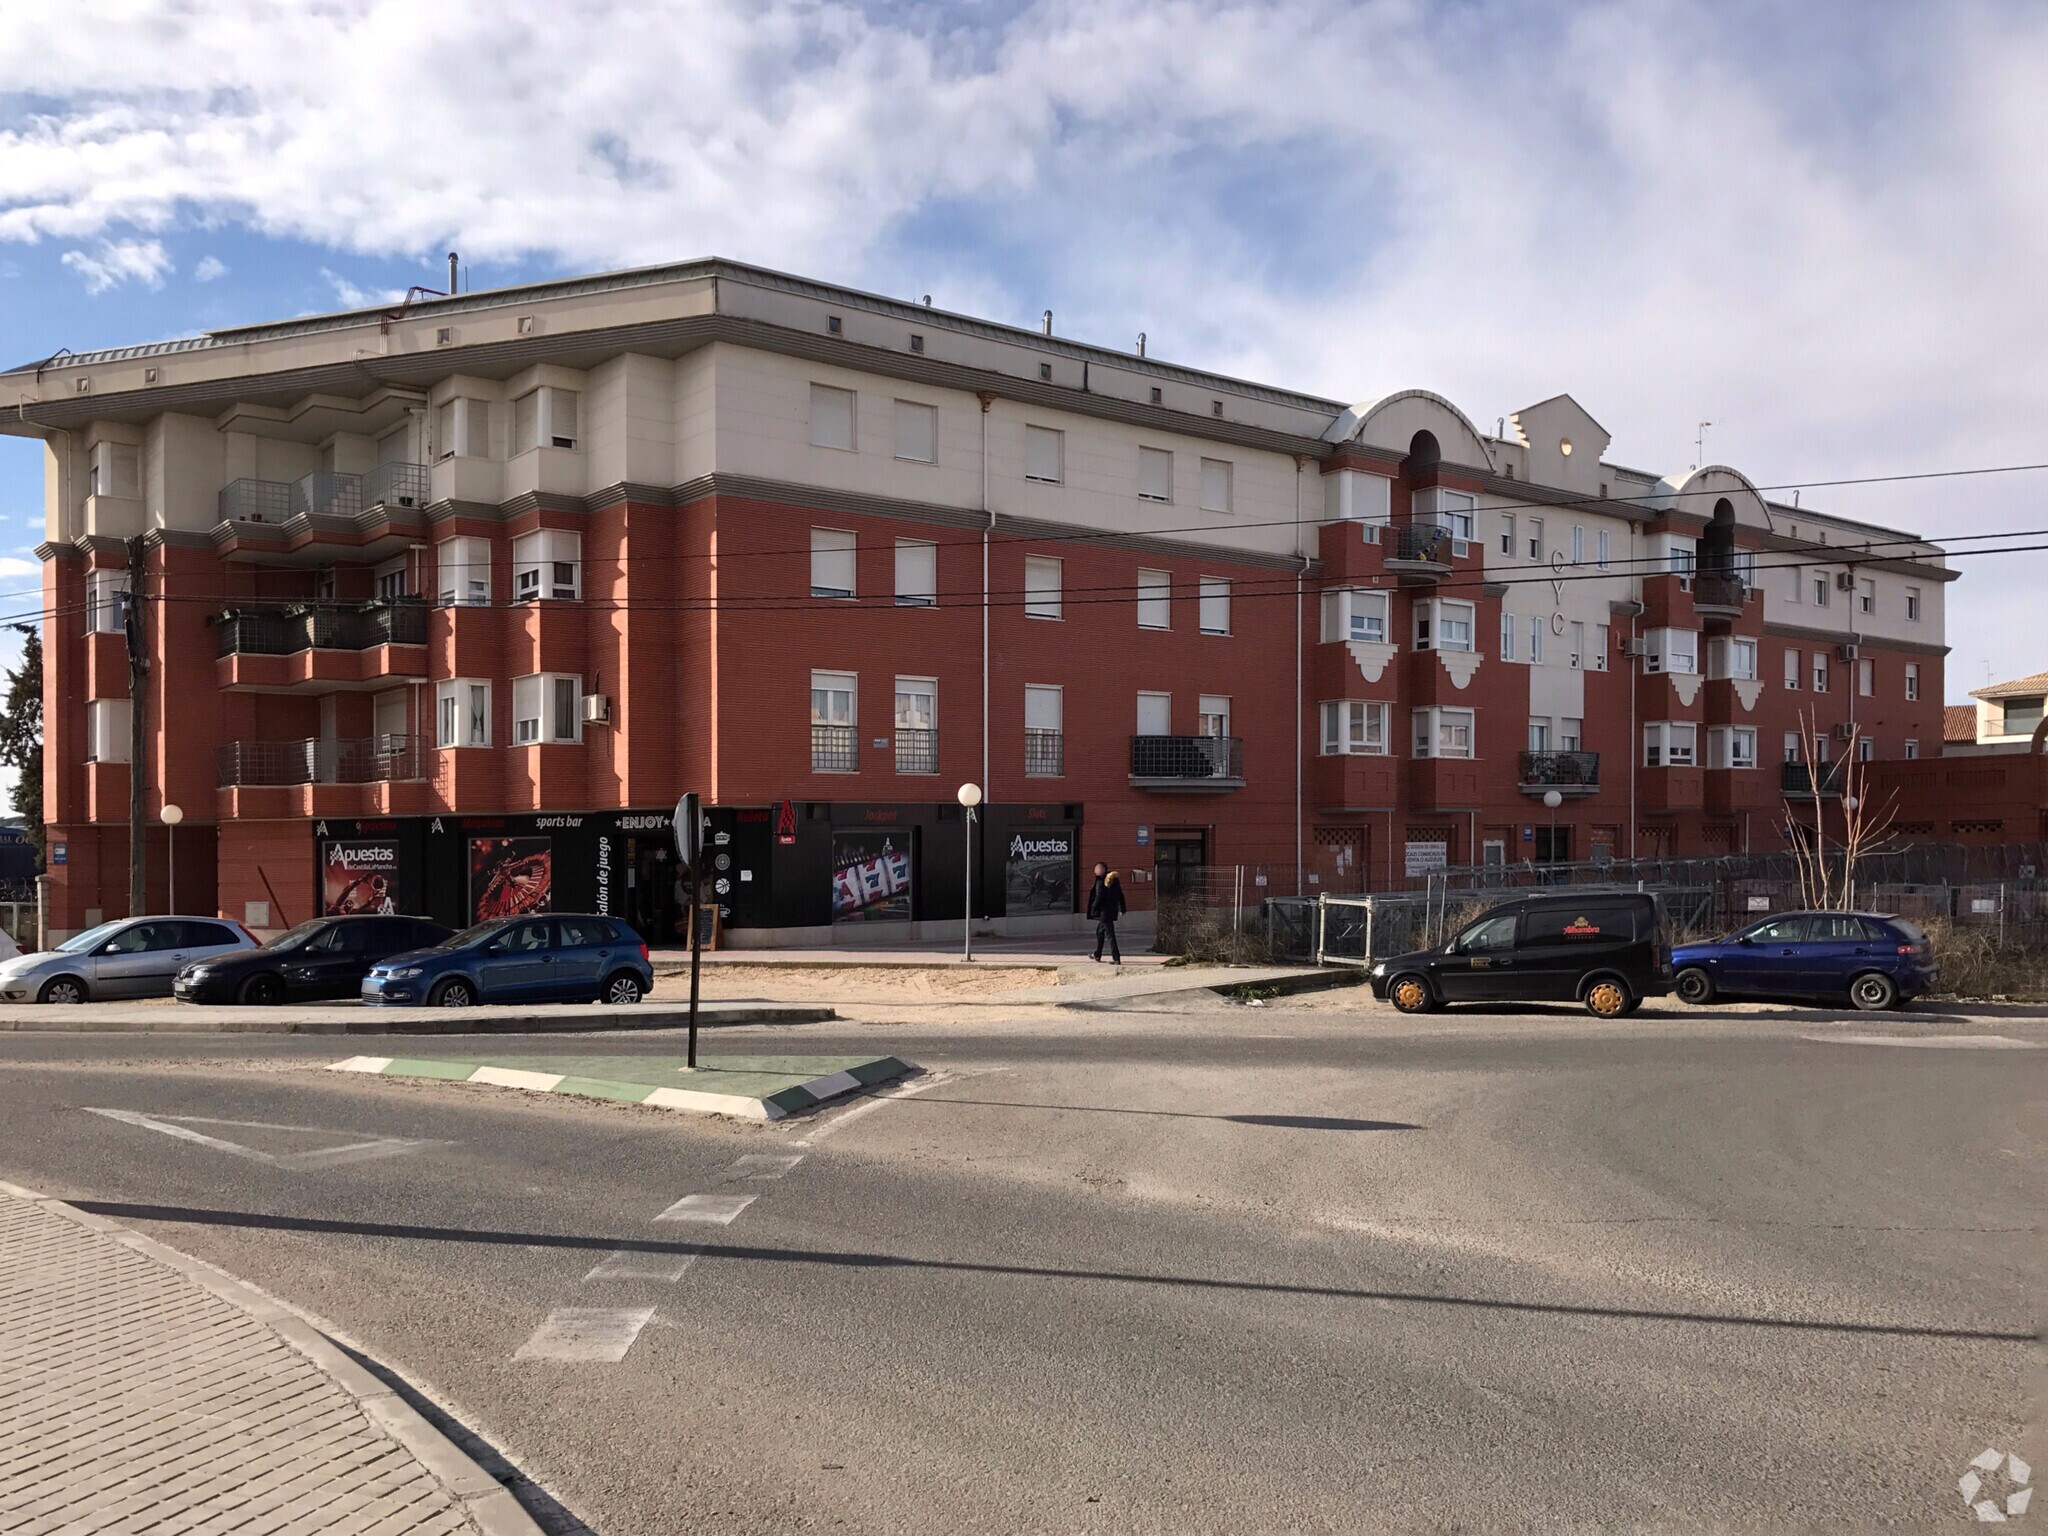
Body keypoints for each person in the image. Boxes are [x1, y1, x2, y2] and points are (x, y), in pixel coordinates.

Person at [1086, 862, 1126, 965]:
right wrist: (1122, 908)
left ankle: (1116, 958)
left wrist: (1093, 907)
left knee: (1110, 935)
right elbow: (1120, 894)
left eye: (1097, 869)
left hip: (1104, 912)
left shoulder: (1101, 881)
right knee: (1100, 932)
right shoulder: (1114, 879)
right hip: (1110, 911)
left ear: (1102, 870)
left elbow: (1099, 896)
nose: (1095, 871)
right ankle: (1097, 954)